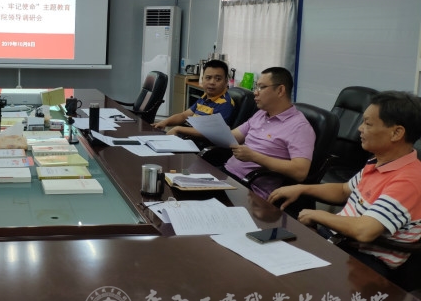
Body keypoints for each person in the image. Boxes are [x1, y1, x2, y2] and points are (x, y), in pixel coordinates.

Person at [269, 91, 421, 276]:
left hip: (364, 263)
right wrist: (301, 188)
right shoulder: (379, 161)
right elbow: (343, 190)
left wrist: (318, 215)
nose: (360, 128)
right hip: (340, 241)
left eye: (368, 123)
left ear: (396, 133)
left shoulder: (409, 180)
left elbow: (365, 231)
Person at [224, 67, 315, 199]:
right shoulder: (261, 114)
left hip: (250, 189)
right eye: (256, 87)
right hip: (227, 173)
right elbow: (234, 136)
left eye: (261, 87)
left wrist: (254, 156)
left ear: (280, 90)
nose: (255, 92)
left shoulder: (300, 127)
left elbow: (300, 172)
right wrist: (212, 130)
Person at [153, 59, 234, 137]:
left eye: (218, 79)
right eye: (208, 78)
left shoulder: (225, 103)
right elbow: (184, 116)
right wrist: (164, 122)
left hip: (201, 143)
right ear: (202, 79)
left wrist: (178, 129)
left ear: (226, 81)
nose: (212, 82)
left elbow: (212, 132)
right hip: (189, 137)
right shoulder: (205, 97)